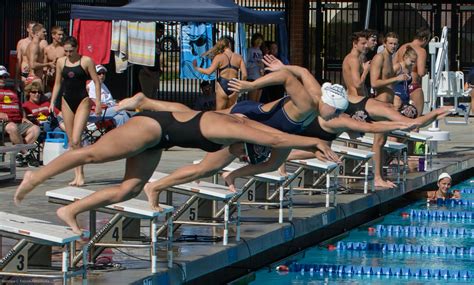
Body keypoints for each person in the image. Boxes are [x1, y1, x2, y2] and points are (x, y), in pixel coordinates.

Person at [15, 109, 341, 234]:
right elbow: (275, 138)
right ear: (245, 145)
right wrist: (315, 139)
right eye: (243, 155)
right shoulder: (233, 128)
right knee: (93, 154)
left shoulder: (244, 125)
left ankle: (70, 210)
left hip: (160, 141)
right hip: (151, 129)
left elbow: (272, 146)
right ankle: (37, 176)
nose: (238, 155)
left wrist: (312, 147)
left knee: (129, 190)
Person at [118, 55, 345, 193]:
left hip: (277, 131)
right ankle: (155, 186)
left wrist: (282, 65)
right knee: (207, 165)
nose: (336, 117)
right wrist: (250, 86)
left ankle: (233, 175)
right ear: (327, 102)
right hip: (247, 120)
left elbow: (302, 71)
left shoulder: (319, 92)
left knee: (273, 165)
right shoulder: (307, 102)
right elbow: (287, 79)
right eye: (335, 111)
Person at [49, 36, 101, 186]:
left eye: (71, 51)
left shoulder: (86, 61)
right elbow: (58, 83)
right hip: (67, 101)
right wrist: (52, 102)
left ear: (77, 48)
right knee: (72, 141)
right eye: (66, 51)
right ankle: (76, 175)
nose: (68, 54)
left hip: (82, 101)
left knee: (77, 139)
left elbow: (96, 82)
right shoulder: (61, 62)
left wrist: (97, 103)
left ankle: (82, 174)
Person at [0, 66, 40, 166]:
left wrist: (24, 117)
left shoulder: (12, 91)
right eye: (1, 77)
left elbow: (20, 107)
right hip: (4, 123)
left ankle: (19, 154)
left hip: (18, 121)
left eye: (5, 77)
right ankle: (27, 154)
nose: (3, 79)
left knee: (35, 129)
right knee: (12, 127)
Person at [193, 37, 247, 110]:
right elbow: (245, 74)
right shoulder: (239, 57)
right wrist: (240, 87)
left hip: (222, 85)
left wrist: (196, 68)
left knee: (219, 113)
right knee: (230, 112)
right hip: (234, 84)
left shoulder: (219, 57)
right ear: (230, 45)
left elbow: (209, 71)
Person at [395, 27, 431, 116]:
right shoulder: (421, 50)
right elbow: (421, 72)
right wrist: (425, 70)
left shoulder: (402, 47)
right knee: (416, 118)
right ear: (424, 39)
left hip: (400, 86)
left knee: (398, 117)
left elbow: (394, 65)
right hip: (412, 86)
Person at [139, 23, 164, 99]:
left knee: (154, 96)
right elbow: (141, 58)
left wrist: (159, 70)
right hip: (146, 73)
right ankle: (145, 111)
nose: (161, 34)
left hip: (155, 72)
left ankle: (151, 111)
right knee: (147, 97)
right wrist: (147, 71)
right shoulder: (147, 42)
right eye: (159, 31)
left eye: (162, 32)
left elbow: (158, 57)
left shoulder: (157, 43)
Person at [393, 46, 418, 114]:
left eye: (414, 62)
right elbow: (386, 79)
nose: (413, 64)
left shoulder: (409, 68)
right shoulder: (398, 67)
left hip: (405, 97)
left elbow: (406, 85)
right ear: (405, 57)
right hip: (397, 97)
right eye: (412, 61)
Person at [44, 26, 65, 92]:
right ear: (53, 35)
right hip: (49, 80)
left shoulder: (64, 49)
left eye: (62, 35)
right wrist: (47, 71)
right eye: (59, 34)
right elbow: (44, 66)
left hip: (61, 80)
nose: (61, 36)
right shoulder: (47, 49)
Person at [246, 33, 265, 102]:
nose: (259, 43)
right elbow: (246, 64)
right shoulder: (249, 51)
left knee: (257, 101)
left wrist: (262, 68)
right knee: (252, 101)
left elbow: (261, 63)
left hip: (260, 77)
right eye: (258, 41)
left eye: (260, 42)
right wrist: (256, 64)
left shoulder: (260, 51)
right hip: (252, 77)